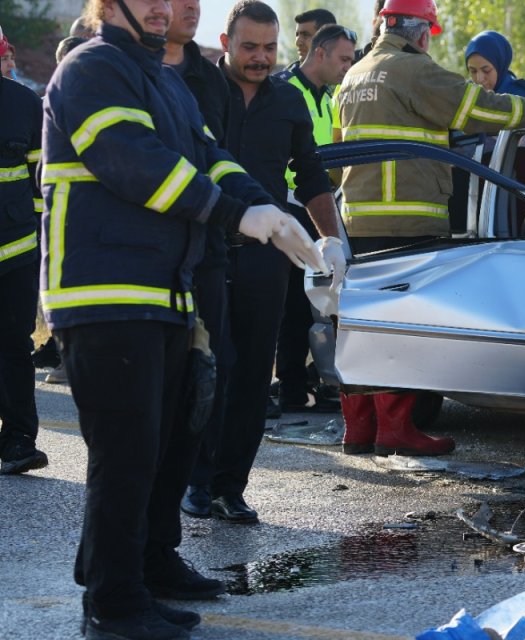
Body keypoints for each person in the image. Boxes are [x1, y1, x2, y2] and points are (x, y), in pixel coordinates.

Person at [42, 0, 321, 637]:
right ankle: (113, 605)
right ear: (108, 6)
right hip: (103, 293)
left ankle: (150, 562)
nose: (165, 7)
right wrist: (235, 217)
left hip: (165, 292)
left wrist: (274, 213)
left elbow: (212, 158)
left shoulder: (163, 79)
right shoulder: (91, 69)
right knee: (127, 453)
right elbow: (136, 164)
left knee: (170, 440)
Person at [333, 0, 525, 457]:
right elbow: (482, 109)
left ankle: (359, 429)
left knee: (359, 326)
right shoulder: (415, 71)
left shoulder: (354, 75)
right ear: (421, 32)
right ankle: (397, 430)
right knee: (402, 328)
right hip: (407, 219)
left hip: (359, 219)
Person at [187, 0, 345, 526]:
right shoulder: (195, 89)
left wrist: (335, 241)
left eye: (269, 48)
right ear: (226, 42)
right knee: (211, 371)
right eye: (248, 47)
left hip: (264, 260)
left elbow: (312, 176)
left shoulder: (288, 102)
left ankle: (232, 487)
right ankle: (196, 480)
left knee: (254, 377)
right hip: (204, 253)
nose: (260, 58)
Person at [162, 0, 239, 524]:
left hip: (205, 250)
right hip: (144, 258)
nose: (191, 6)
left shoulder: (207, 81)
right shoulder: (102, 70)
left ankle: (197, 482)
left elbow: (216, 156)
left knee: (213, 369)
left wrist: (255, 211)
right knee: (157, 388)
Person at [272, 23, 355, 414]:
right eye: (343, 59)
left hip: (318, 206)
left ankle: (304, 381)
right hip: (287, 208)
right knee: (288, 304)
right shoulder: (284, 90)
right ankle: (287, 387)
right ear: (318, 53)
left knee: (314, 303)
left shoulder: (330, 95)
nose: (346, 67)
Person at [0, 22, 46, 476]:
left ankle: (18, 441)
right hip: (19, 242)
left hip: (16, 250)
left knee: (15, 347)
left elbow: (41, 179)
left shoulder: (23, 104)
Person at [464, 30, 525, 98]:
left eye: (486, 70)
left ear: (500, 67)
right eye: (473, 71)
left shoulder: (523, 97)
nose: (479, 79)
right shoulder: (466, 95)